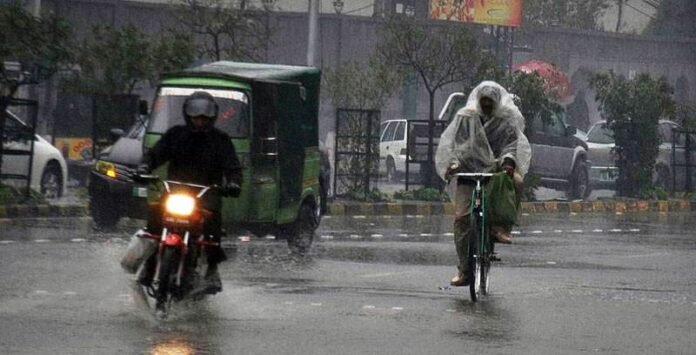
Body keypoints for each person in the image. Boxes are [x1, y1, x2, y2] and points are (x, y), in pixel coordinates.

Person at [139, 91, 242, 294]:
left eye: (204, 117)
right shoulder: (175, 135)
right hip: (175, 191)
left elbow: (233, 167)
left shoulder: (221, 140)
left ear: (212, 117)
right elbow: (155, 155)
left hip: (206, 194)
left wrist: (233, 183)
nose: (200, 121)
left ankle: (212, 270)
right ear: (188, 115)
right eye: (196, 116)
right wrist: (144, 168)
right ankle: (149, 267)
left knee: (212, 224)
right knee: (155, 218)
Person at [435, 81, 531, 287]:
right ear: (478, 101)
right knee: (461, 219)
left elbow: (510, 146)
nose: (487, 104)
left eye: (490, 101)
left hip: (495, 174)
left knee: (518, 183)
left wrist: (507, 164)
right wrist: (453, 164)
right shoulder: (466, 118)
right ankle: (464, 270)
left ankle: (502, 227)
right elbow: (456, 146)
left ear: (496, 102)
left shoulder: (505, 122)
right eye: (484, 101)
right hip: (468, 172)